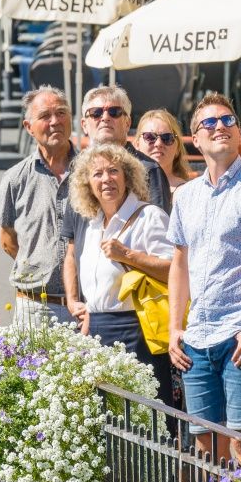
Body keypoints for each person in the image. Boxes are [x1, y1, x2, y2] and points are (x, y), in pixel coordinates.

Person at [167, 92, 241, 460]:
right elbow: (179, 263)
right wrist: (175, 327)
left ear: (238, 132)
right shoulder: (185, 196)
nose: (221, 126)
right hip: (198, 336)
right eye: (210, 122)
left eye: (228, 120)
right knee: (205, 446)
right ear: (196, 139)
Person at [63, 143, 179, 410]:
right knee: (108, 419)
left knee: (146, 418)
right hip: (96, 331)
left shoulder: (149, 216)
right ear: (87, 184)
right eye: (98, 174)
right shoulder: (92, 225)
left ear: (127, 176)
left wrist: (127, 254)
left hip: (136, 329)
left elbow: (175, 270)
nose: (106, 179)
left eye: (113, 171)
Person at [0, 87, 78, 326]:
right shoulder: (15, 178)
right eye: (44, 116)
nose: (55, 122)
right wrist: (38, 266)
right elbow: (7, 239)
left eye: (61, 113)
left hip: (84, 304)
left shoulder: (92, 171)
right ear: (28, 127)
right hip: (35, 308)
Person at [81, 85, 169, 212]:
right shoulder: (78, 168)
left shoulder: (149, 170)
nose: (105, 118)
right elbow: (71, 228)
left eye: (114, 112)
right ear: (84, 125)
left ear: (127, 123)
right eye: (96, 113)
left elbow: (159, 225)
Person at [136, 108, 195, 197]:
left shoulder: (189, 193)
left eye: (167, 138)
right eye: (149, 137)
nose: (158, 144)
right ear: (137, 145)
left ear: (177, 148)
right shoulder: (125, 189)